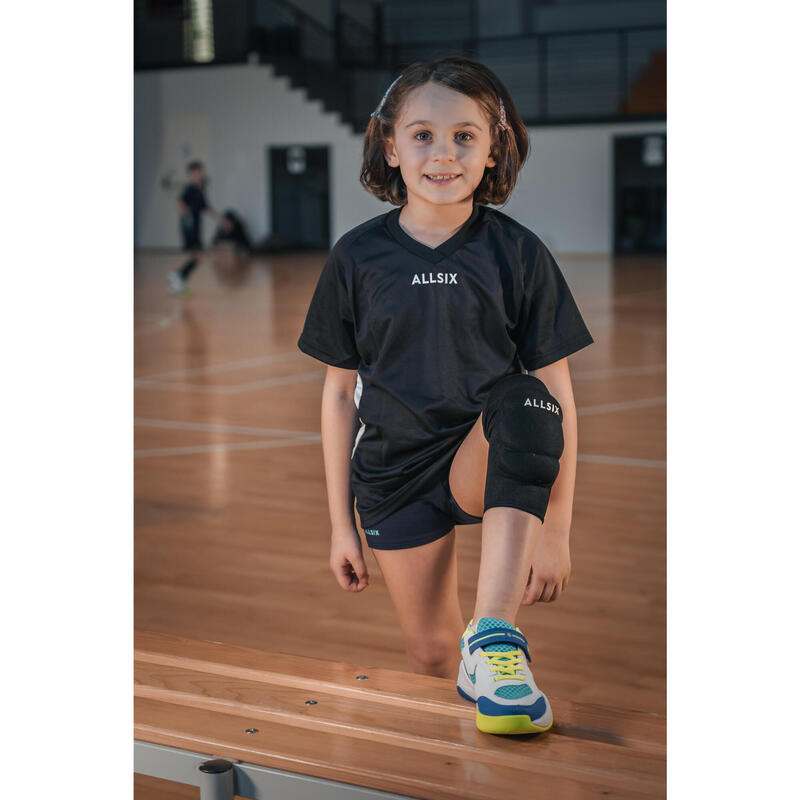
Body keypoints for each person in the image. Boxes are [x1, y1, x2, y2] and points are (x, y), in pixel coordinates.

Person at [297, 56, 593, 736]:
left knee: (525, 401)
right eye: (423, 134)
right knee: (430, 655)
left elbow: (556, 393)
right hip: (394, 473)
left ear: (494, 150)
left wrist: (558, 528)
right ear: (390, 146)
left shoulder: (518, 254)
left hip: (483, 454)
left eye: (465, 136)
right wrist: (341, 522)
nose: (444, 153)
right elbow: (339, 396)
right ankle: (463, 722)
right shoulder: (356, 258)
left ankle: (494, 637)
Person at [168, 161, 219, 295]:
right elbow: (180, 201)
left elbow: (206, 207)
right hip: (189, 227)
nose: (198, 175)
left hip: (196, 227)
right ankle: (178, 276)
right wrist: (186, 213)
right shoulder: (189, 189)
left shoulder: (200, 190)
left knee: (197, 255)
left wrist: (221, 219)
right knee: (200, 254)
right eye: (195, 173)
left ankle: (178, 280)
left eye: (200, 172)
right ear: (190, 175)